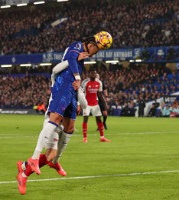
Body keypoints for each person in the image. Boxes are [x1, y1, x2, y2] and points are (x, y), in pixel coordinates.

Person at [16, 32, 109, 195]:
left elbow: (72, 67)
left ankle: (31, 165)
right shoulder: (76, 46)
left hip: (71, 93)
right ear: (94, 44)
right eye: (99, 49)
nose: (97, 52)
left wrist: (80, 98)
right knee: (55, 119)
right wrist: (78, 77)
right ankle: (29, 164)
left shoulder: (82, 56)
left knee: (68, 131)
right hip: (62, 89)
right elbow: (67, 63)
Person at [81, 69, 110, 143]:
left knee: (99, 119)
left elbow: (100, 94)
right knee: (85, 119)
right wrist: (80, 103)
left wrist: (105, 103)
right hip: (86, 104)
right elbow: (81, 93)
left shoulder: (99, 82)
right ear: (89, 75)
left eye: (95, 73)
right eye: (92, 74)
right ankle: (85, 138)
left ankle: (102, 137)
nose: (93, 75)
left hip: (95, 104)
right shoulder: (85, 82)